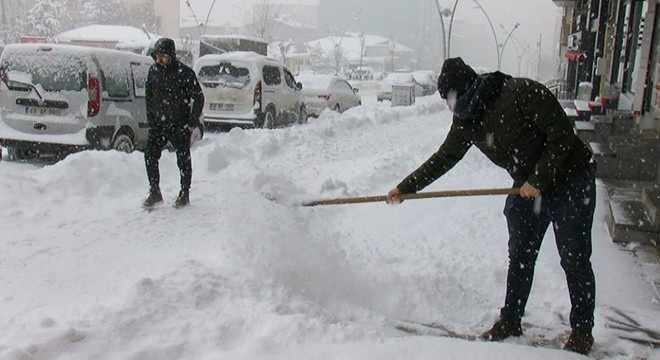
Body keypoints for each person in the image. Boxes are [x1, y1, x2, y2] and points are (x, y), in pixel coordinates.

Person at [387, 57, 596, 355]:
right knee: (520, 254)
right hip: (527, 188)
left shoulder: (520, 92)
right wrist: (405, 188)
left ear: (463, 89)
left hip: (571, 180)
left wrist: (539, 179)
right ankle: (510, 320)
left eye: (448, 97)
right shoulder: (466, 120)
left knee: (574, 256)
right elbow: (444, 158)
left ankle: (582, 330)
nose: (447, 105)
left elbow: (561, 136)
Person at [143, 37, 205, 209]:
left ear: (171, 55)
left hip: (179, 124)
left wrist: (191, 123)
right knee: (149, 156)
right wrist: (151, 119)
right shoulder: (153, 72)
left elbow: (199, 98)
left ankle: (184, 193)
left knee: (183, 159)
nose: (159, 60)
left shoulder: (185, 73)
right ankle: (154, 191)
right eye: (156, 56)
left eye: (163, 56)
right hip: (158, 125)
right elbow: (148, 96)